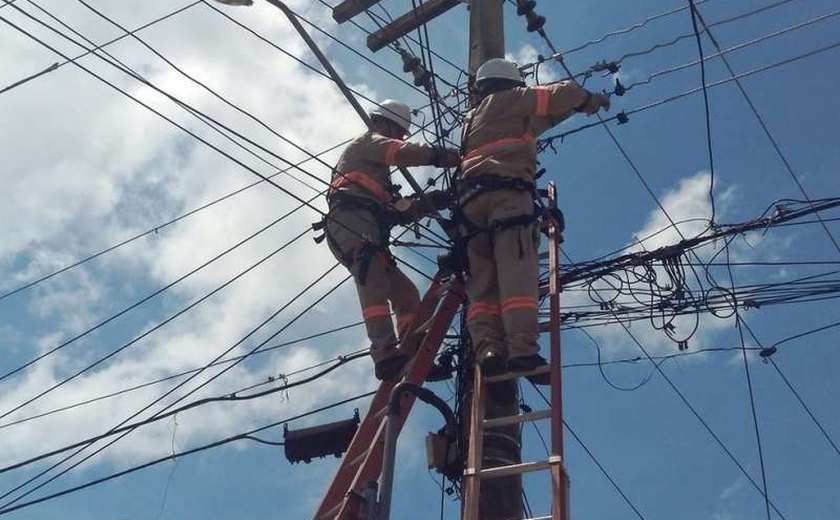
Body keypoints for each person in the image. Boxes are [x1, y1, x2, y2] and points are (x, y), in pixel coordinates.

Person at [457, 58, 610, 382]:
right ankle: (523, 351)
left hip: (471, 206)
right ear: (511, 84)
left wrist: (578, 109)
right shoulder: (509, 100)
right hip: (506, 197)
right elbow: (562, 93)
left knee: (482, 281)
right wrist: (585, 99)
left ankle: (488, 349)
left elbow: (541, 121)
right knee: (517, 273)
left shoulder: (474, 119)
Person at [324, 100, 459, 380]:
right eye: (398, 131)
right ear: (384, 123)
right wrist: (447, 156)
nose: (399, 137)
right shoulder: (367, 143)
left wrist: (436, 200)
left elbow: (398, 212)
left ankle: (411, 351)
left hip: (368, 227)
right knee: (372, 280)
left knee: (407, 294)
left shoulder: (376, 173)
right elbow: (401, 152)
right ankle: (384, 353)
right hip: (351, 222)